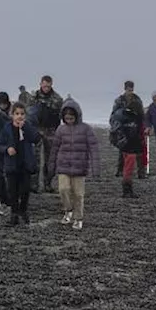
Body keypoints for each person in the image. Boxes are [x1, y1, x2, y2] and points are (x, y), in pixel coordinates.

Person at [52, 98, 99, 231]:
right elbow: (55, 148)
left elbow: (94, 147)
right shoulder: (60, 130)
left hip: (80, 167)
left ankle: (78, 218)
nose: (69, 120)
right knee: (63, 189)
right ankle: (68, 210)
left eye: (71, 118)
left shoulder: (86, 129)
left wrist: (96, 168)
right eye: (67, 118)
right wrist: (51, 166)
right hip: (63, 166)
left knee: (78, 194)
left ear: (77, 116)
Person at [0, 103, 40, 226]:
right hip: (11, 164)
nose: (19, 116)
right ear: (12, 115)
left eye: (22, 114)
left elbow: (36, 138)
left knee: (25, 189)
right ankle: (14, 215)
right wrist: (7, 149)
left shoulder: (28, 126)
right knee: (12, 191)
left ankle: (23, 210)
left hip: (25, 163)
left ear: (25, 115)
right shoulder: (6, 128)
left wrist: (25, 127)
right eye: (16, 114)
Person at [30, 76, 63, 193]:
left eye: (48, 86)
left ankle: (47, 183)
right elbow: (28, 112)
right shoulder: (33, 97)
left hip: (51, 130)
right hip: (37, 129)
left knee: (50, 159)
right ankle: (33, 185)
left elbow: (61, 116)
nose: (46, 88)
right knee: (35, 157)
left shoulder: (57, 99)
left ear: (51, 85)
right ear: (40, 84)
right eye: (44, 86)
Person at [112, 81, 147, 181]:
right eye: (128, 89)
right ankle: (120, 170)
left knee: (139, 150)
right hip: (123, 127)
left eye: (131, 89)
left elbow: (141, 114)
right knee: (123, 149)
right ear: (125, 89)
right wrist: (115, 127)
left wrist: (143, 126)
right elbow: (114, 114)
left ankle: (141, 172)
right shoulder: (119, 100)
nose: (130, 91)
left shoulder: (137, 99)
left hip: (136, 126)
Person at [109, 101, 144, 198]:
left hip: (123, 146)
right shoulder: (132, 119)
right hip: (130, 147)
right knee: (128, 169)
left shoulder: (120, 115)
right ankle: (127, 190)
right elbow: (134, 134)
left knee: (127, 168)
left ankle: (127, 189)